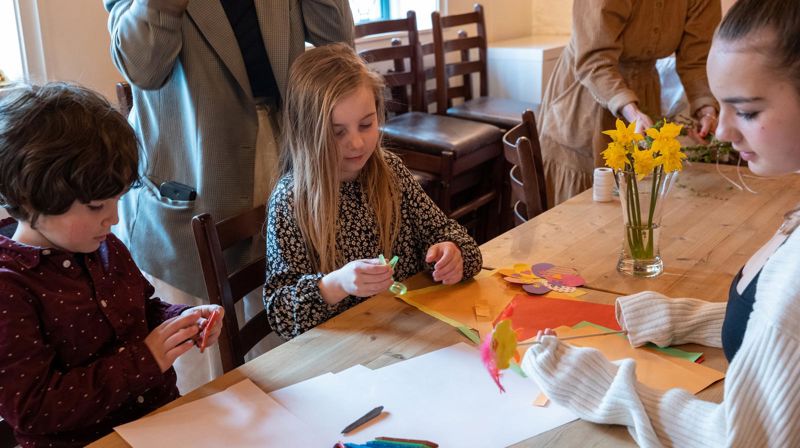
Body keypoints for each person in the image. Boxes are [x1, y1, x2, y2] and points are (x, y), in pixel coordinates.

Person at [522, 0, 800, 445]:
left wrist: (600, 386)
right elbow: (775, 325)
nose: (726, 132)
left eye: (745, 111)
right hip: (592, 104)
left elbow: (737, 435)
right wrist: (680, 316)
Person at [104, 0, 354, 390]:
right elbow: (144, 69)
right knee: (202, 365)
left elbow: (336, 42)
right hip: (192, 170)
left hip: (284, 152)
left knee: (279, 338)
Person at [0, 83, 224, 447]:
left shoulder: (102, 245)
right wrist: (145, 359)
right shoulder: (10, 287)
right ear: (30, 195)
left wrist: (182, 321)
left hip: (162, 426)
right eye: (95, 207)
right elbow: (32, 408)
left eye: (117, 201)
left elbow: (144, 309)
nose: (114, 219)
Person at [263, 43, 483, 339]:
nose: (356, 144)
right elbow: (280, 314)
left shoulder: (389, 171)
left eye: (366, 125)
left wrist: (453, 254)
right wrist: (336, 284)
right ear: (308, 132)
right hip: (343, 351)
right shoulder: (291, 200)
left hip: (409, 331)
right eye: (337, 132)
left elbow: (451, 236)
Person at [537, 0, 721, 205]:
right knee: (587, 202)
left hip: (644, 94)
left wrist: (706, 108)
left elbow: (696, 59)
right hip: (587, 93)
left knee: (637, 197)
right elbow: (595, 60)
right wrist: (631, 112)